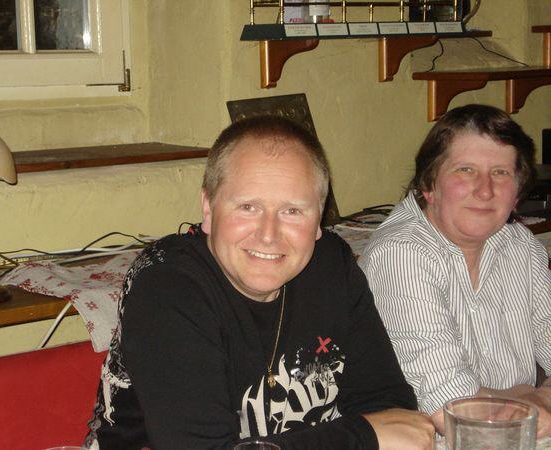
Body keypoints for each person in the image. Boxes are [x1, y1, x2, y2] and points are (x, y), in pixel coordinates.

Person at [85, 115, 435, 449]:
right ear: (208, 208)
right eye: (248, 207)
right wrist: (363, 436)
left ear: (319, 219)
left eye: (292, 211)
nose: (269, 235)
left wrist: (371, 434)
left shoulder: (331, 266)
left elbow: (388, 407)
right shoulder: (166, 286)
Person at [359, 104, 551, 437]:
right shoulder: (401, 254)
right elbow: (452, 411)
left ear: (518, 192)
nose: (485, 190)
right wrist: (530, 401)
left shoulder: (520, 244)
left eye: (501, 173)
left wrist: (538, 399)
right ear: (429, 185)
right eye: (466, 170)